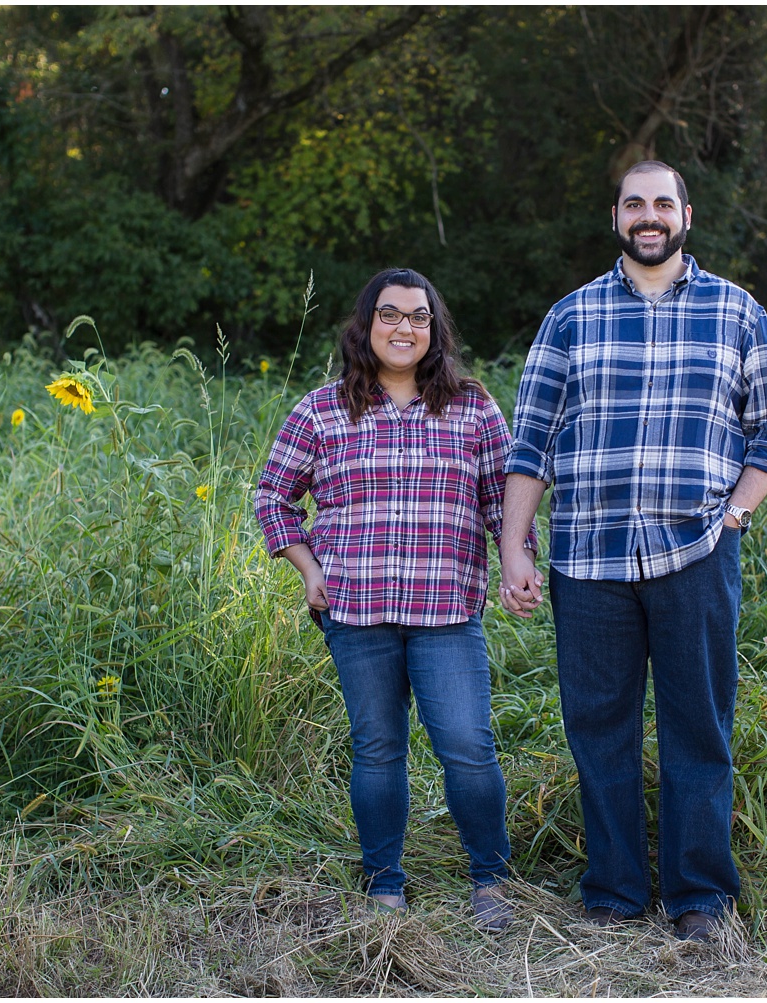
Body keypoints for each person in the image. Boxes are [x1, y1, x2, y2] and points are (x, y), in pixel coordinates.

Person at [497, 161, 767, 942]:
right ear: (616, 216)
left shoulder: (737, 312)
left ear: (686, 214)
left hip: (697, 550)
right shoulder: (570, 317)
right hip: (589, 559)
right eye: (636, 204)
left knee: (699, 726)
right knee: (599, 729)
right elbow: (531, 442)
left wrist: (736, 514)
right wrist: (514, 546)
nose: (650, 216)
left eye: (663, 202)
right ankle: (615, 892)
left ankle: (701, 898)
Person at [254, 267, 534, 932]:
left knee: (467, 744)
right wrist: (305, 566)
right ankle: (384, 883)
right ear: (365, 325)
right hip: (355, 610)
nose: (403, 327)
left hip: (447, 612)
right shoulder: (321, 408)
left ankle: (490, 879)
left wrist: (516, 558)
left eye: (417, 316)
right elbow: (272, 494)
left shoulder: (473, 407)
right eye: (389, 314)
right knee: (377, 747)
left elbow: (503, 502)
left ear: (434, 330)